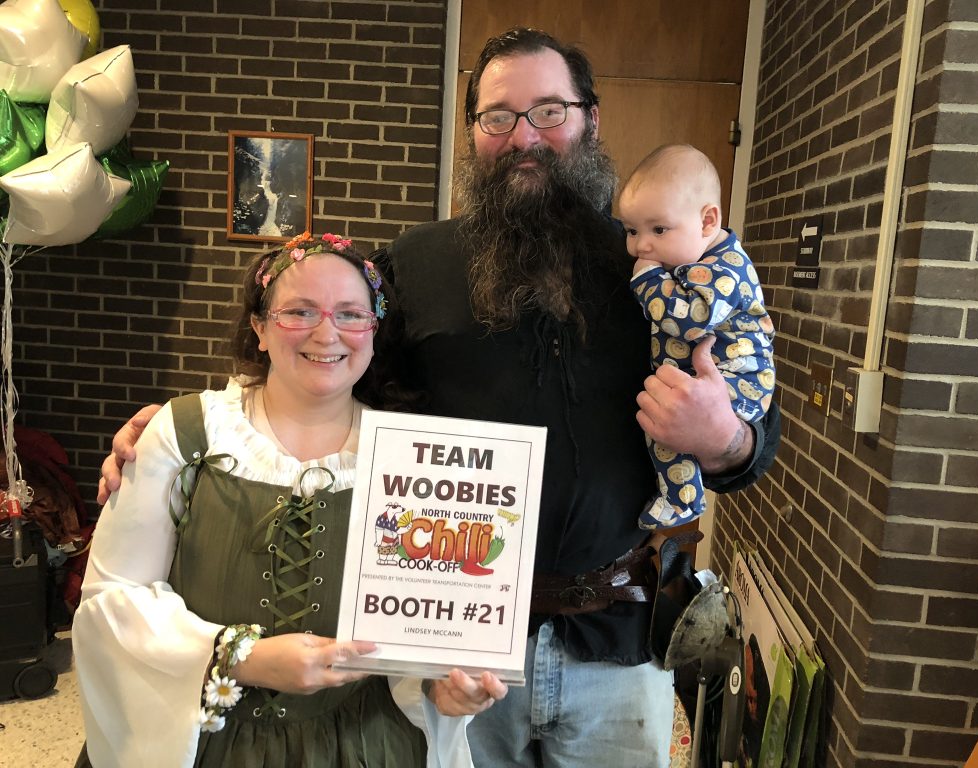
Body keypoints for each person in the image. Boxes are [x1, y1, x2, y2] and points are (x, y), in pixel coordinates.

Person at [99, 28, 780, 768]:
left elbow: (750, 431)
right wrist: (202, 427)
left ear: (590, 119)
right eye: (499, 116)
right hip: (454, 649)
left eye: (549, 111)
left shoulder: (659, 262)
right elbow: (331, 371)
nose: (524, 137)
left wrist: (725, 438)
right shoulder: (414, 263)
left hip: (616, 643)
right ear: (473, 131)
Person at [74, 233, 506, 768]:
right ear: (259, 327)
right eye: (299, 311)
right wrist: (241, 657)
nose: (327, 333)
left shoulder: (414, 459)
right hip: (210, 742)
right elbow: (112, 598)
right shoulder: (185, 435)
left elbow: (421, 629)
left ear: (373, 332)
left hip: (366, 744)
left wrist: (446, 688)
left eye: (351, 314)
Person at [618, 144, 775, 531]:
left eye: (658, 229)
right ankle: (682, 497)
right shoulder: (693, 260)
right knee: (662, 426)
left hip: (737, 380)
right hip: (711, 378)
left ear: (707, 221)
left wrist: (649, 281)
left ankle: (683, 499)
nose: (640, 246)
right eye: (631, 231)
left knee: (664, 429)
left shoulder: (724, 269)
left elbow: (689, 321)